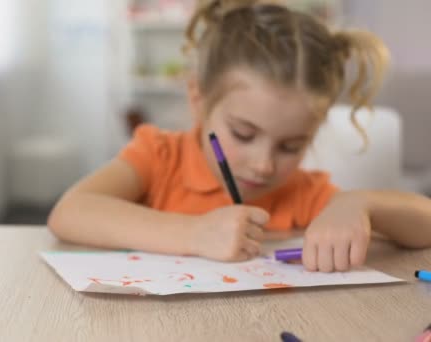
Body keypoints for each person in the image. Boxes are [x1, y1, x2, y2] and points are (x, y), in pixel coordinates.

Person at [48, 0, 431, 272]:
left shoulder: (302, 192)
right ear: (198, 97)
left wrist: (362, 203)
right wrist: (194, 234)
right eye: (243, 134)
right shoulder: (159, 156)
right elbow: (69, 212)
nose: (264, 165)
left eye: (291, 146)